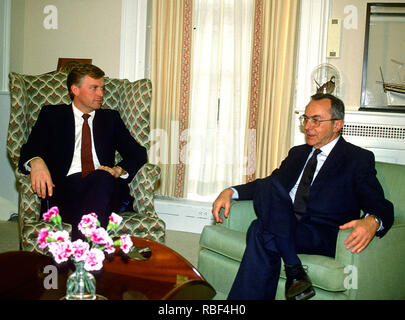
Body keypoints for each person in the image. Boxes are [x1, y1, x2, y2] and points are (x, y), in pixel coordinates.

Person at [212, 93, 394, 300]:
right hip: (286, 222)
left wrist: (373, 220)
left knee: (259, 229)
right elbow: (271, 187)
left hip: (320, 233)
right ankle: (294, 270)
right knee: (268, 187)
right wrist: (231, 191)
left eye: (316, 120)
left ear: (337, 125)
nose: (308, 126)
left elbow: (381, 205)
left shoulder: (357, 159)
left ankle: (283, 275)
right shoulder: (297, 153)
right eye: (306, 119)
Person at [18, 63, 147, 239]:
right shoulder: (52, 115)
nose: (101, 94)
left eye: (102, 88)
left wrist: (117, 170)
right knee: (95, 197)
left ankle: (81, 255)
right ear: (75, 90)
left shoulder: (110, 119)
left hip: (104, 185)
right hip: (67, 188)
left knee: (102, 178)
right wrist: (37, 162)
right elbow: (29, 148)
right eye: (94, 88)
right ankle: (89, 256)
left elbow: (138, 153)